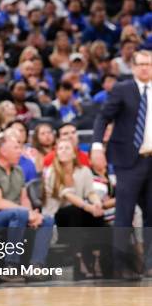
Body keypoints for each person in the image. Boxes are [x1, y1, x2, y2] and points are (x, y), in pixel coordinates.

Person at [92, 50, 152, 278]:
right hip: (128, 161)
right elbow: (103, 118)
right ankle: (121, 266)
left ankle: (149, 264)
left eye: (149, 64)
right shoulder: (122, 89)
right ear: (133, 67)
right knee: (124, 214)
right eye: (141, 64)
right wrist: (97, 146)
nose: (145, 68)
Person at [0, 134, 54, 282]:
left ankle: (36, 266)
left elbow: (24, 198)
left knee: (47, 219)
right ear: (3, 151)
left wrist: (32, 214)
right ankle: (10, 266)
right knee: (19, 214)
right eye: (16, 147)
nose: (20, 151)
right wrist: (25, 213)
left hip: (16, 215)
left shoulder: (18, 171)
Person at [42, 139, 106, 279]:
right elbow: (68, 196)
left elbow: (90, 192)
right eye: (60, 148)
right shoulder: (52, 172)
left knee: (98, 215)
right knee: (74, 211)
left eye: (67, 148)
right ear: (56, 153)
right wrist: (89, 207)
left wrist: (97, 204)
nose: (63, 151)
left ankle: (97, 258)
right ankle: (79, 260)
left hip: (80, 209)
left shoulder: (84, 170)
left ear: (74, 153)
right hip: (58, 213)